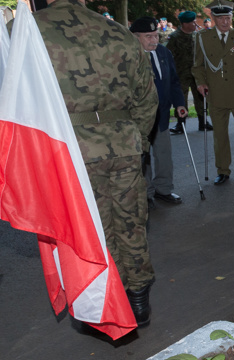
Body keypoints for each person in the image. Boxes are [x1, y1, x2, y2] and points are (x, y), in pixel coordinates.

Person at [29, 0, 158, 326]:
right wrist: (137, 141)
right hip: (124, 143)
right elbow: (147, 97)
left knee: (95, 229)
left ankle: (110, 304)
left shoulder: (27, 30)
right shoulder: (119, 32)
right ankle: (139, 299)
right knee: (132, 222)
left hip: (71, 149)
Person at [193, 0, 234, 185]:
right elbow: (197, 66)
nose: (225, 22)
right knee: (220, 135)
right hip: (216, 94)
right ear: (213, 18)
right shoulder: (203, 38)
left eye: (228, 18)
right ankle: (222, 170)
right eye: (221, 18)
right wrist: (201, 83)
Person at [131, 17, 187, 210]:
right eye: (148, 36)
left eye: (156, 35)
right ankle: (146, 194)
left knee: (164, 154)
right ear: (136, 37)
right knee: (143, 157)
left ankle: (163, 189)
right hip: (139, 118)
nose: (154, 40)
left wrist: (179, 103)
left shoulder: (164, 52)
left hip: (161, 115)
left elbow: (174, 81)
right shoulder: (129, 56)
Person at [167, 10, 212, 135]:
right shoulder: (174, 37)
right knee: (181, 98)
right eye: (192, 22)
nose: (195, 24)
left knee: (201, 97)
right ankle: (181, 124)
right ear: (185, 24)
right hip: (181, 73)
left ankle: (203, 122)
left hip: (197, 73)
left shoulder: (197, 35)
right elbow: (168, 56)